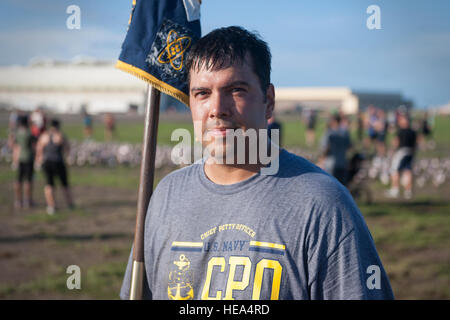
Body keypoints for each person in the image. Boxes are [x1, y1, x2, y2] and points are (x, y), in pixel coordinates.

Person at [120, 26, 394, 300]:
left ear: (269, 101)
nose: (217, 108)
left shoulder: (322, 204)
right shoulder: (165, 197)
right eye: (202, 93)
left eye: (236, 90)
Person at [35, 119, 74, 214]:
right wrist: (68, 158)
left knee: (49, 185)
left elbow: (39, 149)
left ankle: (51, 206)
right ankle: (70, 204)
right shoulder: (60, 136)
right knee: (64, 185)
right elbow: (67, 148)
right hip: (58, 162)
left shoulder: (44, 136)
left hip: (47, 163)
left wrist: (38, 161)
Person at [386, 112, 417, 200]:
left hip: (402, 152)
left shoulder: (400, 131)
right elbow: (415, 144)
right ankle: (408, 192)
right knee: (408, 171)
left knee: (394, 170)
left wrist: (392, 150)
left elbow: (396, 142)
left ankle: (394, 190)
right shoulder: (413, 132)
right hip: (410, 152)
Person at [319, 114, 352, 186]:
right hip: (343, 163)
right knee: (343, 188)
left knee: (331, 187)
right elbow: (349, 146)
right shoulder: (345, 132)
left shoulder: (329, 133)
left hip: (331, 164)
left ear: (333, 121)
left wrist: (321, 160)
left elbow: (325, 148)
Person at [12, 115, 35, 209]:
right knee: (28, 181)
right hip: (28, 158)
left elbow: (15, 146)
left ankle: (18, 200)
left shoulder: (17, 133)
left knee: (18, 180)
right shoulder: (29, 133)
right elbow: (34, 146)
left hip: (19, 159)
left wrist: (14, 160)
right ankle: (27, 200)